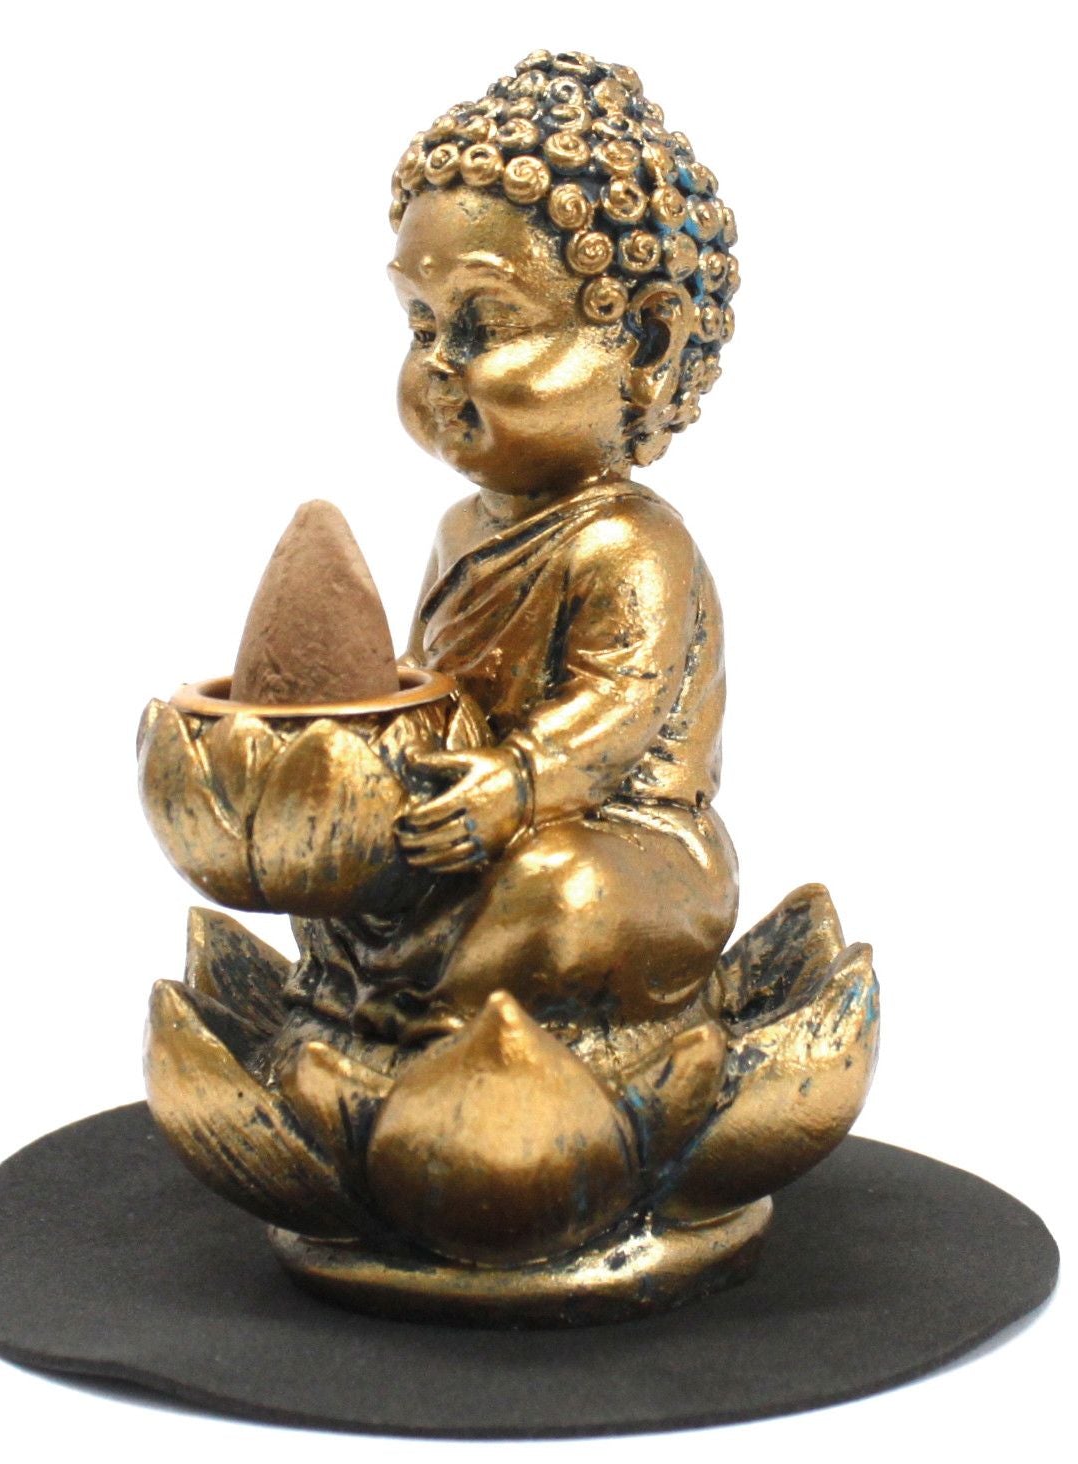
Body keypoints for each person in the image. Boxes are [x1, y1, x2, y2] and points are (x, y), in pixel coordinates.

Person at [287, 52, 742, 1045]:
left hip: (622, 840)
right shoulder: (461, 530)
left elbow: (617, 713)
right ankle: (397, 1013)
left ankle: (450, 1031)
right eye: (421, 326)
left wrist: (519, 784)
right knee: (339, 871)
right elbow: (436, 687)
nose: (439, 367)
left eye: (486, 323)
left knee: (561, 887)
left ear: (646, 345)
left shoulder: (629, 542)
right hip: (469, 819)